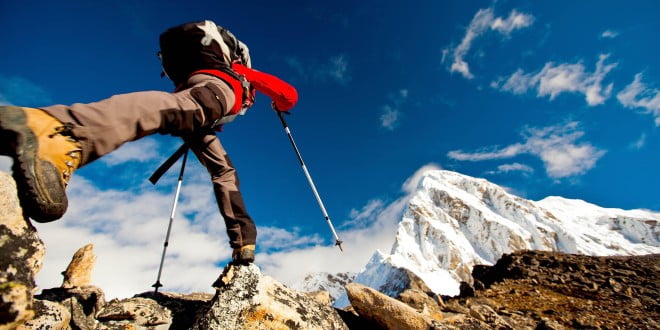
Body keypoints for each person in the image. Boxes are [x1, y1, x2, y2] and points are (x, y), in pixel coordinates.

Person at [0, 20, 298, 265]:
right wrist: (279, 105)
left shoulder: (202, 72)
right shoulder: (239, 73)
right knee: (184, 113)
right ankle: (62, 132)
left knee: (223, 170)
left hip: (200, 108)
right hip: (215, 93)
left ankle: (243, 243)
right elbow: (287, 93)